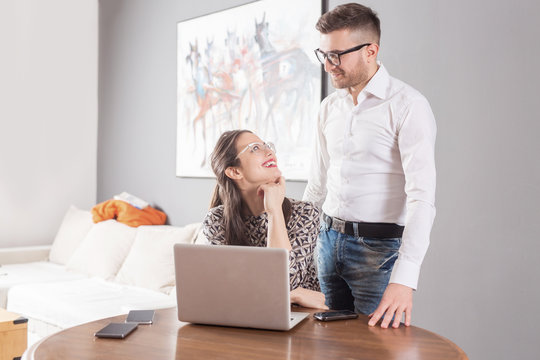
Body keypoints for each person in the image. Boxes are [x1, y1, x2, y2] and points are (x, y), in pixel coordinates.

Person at [303, 3, 436, 328]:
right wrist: (300, 249)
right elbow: (317, 185)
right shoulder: (328, 108)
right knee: (328, 345)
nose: (328, 66)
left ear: (370, 50)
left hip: (379, 252)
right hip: (327, 242)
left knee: (378, 349)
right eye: (323, 55)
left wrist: (405, 279)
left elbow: (422, 199)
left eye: (336, 55)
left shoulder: (408, 106)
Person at [203, 129, 328, 310]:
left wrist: (274, 210)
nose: (269, 152)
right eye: (255, 148)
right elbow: (225, 290)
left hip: (300, 321)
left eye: (267, 146)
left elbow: (284, 281)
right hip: (244, 315)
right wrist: (295, 294)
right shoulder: (216, 220)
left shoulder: (306, 213)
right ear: (234, 172)